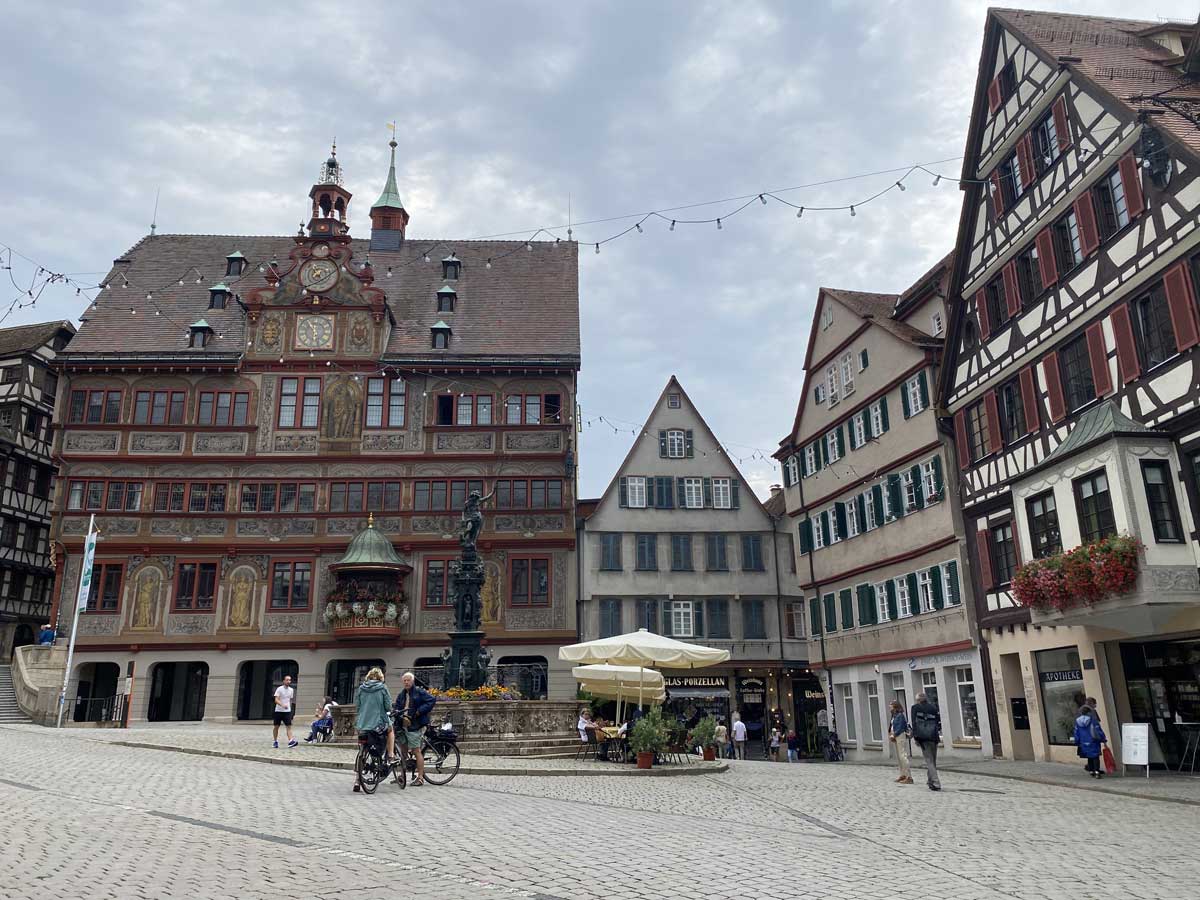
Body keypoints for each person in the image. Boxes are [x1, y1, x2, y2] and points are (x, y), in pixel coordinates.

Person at [353, 668, 394, 791]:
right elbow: (388, 706)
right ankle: (391, 755)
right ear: (381, 677)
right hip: (378, 723)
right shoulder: (382, 688)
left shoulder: (361, 688)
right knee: (391, 730)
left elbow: (358, 705)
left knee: (362, 750)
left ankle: (357, 780)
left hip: (363, 723)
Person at [394, 671, 436, 786]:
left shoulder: (419, 692)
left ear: (412, 681)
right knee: (403, 751)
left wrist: (419, 712)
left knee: (416, 750)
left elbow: (431, 700)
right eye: (404, 681)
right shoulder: (402, 694)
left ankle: (420, 777)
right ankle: (402, 775)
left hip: (415, 725)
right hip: (403, 725)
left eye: (408, 680)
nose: (406, 682)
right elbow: (397, 706)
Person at [910, 692, 942, 791]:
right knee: (933, 760)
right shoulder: (933, 707)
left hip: (923, 737)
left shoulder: (915, 708)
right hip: (934, 736)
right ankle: (930, 781)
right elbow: (938, 721)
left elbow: (914, 723)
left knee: (929, 760)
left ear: (918, 700)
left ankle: (936, 782)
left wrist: (915, 737)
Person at [1074, 705, 1108, 778]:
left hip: (1083, 742)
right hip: (1093, 741)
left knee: (1089, 756)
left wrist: (1077, 741)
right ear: (1089, 712)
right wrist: (1103, 739)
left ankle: (1091, 771)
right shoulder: (1093, 720)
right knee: (1095, 756)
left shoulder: (1077, 721)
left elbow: (1076, 732)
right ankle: (1097, 771)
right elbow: (1098, 731)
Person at [888, 700, 913, 784]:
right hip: (895, 736)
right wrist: (891, 734)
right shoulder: (894, 715)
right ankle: (903, 774)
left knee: (903, 755)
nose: (889, 707)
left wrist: (894, 735)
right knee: (899, 757)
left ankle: (909, 776)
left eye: (891, 705)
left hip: (900, 736)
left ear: (895, 707)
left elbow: (900, 727)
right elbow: (892, 726)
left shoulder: (900, 715)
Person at [272, 675, 298, 749]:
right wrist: (282, 705)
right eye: (287, 680)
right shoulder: (279, 689)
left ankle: (290, 741)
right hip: (278, 710)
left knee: (288, 726)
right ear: (283, 681)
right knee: (276, 726)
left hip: (287, 711)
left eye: (289, 680)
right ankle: (275, 741)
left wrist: (290, 708)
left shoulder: (291, 690)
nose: (288, 681)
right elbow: (276, 700)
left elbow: (290, 700)